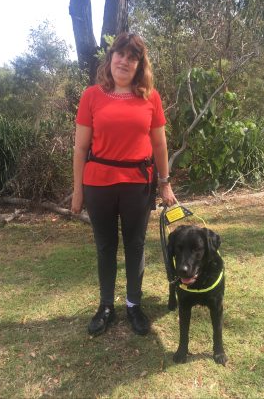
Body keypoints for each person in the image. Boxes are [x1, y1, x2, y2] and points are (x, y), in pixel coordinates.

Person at [71, 32, 176, 337]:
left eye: (133, 57)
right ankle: (106, 306)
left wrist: (164, 183)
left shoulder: (150, 97)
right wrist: (77, 191)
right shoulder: (91, 96)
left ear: (140, 64)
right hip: (98, 184)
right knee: (105, 247)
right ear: (111, 57)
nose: (125, 61)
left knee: (135, 245)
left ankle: (133, 305)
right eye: (120, 53)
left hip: (137, 185)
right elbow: (80, 148)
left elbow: (159, 145)